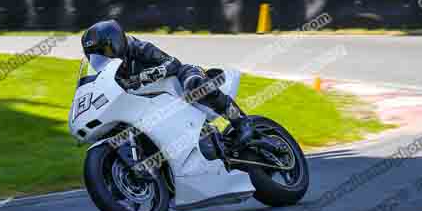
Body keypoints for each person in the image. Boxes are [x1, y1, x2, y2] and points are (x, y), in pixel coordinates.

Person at [81, 19, 281, 151]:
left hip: (177, 79)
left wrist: (145, 76)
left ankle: (241, 122)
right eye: (97, 55)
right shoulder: (109, 73)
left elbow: (172, 63)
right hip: (152, 104)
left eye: (105, 51)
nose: (103, 58)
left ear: (116, 42)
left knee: (194, 84)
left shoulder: (138, 48)